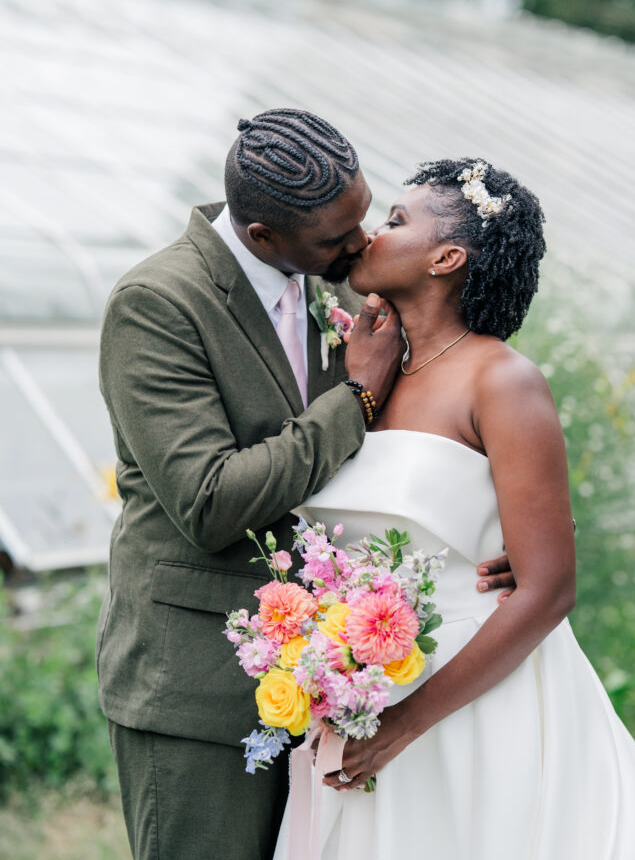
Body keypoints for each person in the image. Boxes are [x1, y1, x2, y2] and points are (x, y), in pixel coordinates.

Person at [96, 112, 515, 860]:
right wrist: (352, 397)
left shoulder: (326, 296)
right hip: (196, 690)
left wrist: (502, 536)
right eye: (335, 238)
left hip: (326, 690)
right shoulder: (159, 302)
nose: (360, 244)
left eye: (363, 217)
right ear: (261, 235)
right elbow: (210, 500)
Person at [272, 158, 635, 859]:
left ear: (447, 257)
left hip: (474, 695)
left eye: (396, 221)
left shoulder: (502, 379)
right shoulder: (362, 370)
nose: (371, 234)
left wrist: (404, 724)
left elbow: (548, 585)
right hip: (370, 685)